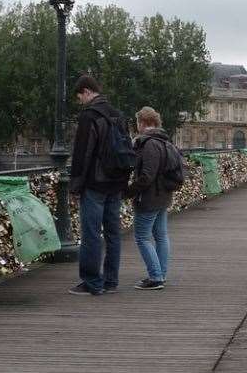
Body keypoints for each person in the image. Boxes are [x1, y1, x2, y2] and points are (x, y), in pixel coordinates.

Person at [68, 74, 130, 296]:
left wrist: (75, 186)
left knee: (92, 233)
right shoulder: (118, 115)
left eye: (79, 97)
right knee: (113, 233)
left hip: (95, 183)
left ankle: (92, 282)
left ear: (86, 92)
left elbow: (82, 154)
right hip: (116, 182)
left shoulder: (89, 116)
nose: (80, 102)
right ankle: (111, 281)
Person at [127, 107, 175, 291]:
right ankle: (160, 274)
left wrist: (129, 191)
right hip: (163, 195)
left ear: (143, 123)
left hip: (150, 198)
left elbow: (147, 175)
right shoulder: (164, 141)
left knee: (141, 237)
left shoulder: (149, 144)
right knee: (161, 236)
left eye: (137, 122)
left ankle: (155, 277)